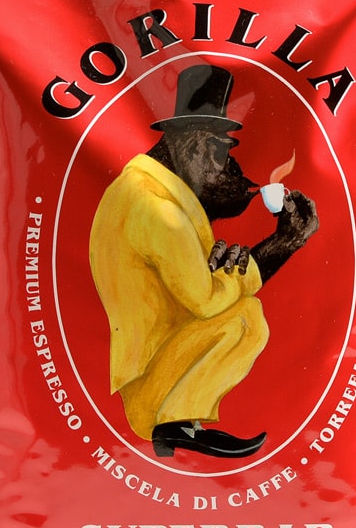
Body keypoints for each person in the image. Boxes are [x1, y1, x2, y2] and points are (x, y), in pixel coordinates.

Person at [89, 64, 318, 458]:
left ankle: (181, 424)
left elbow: (184, 292)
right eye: (225, 154)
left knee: (240, 309)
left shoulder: (139, 189)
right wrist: (281, 244)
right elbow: (207, 303)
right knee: (246, 318)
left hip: (156, 367)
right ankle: (173, 424)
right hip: (151, 395)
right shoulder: (160, 211)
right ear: (199, 147)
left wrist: (219, 271)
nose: (233, 172)